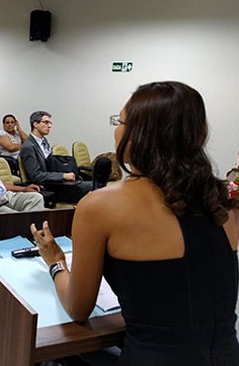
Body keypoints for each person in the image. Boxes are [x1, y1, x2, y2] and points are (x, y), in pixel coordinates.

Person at [32, 81, 239, 366]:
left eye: (120, 121)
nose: (116, 129)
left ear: (138, 134)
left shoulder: (99, 206)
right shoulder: (225, 200)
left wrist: (56, 262)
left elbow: (77, 308)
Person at [20, 111, 91, 203]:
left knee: (96, 185)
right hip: (49, 188)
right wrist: (63, 176)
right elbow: (35, 175)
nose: (49, 126)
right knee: (94, 187)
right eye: (46, 122)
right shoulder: (28, 147)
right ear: (35, 124)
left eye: (50, 123)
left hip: (58, 182)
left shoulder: (44, 141)